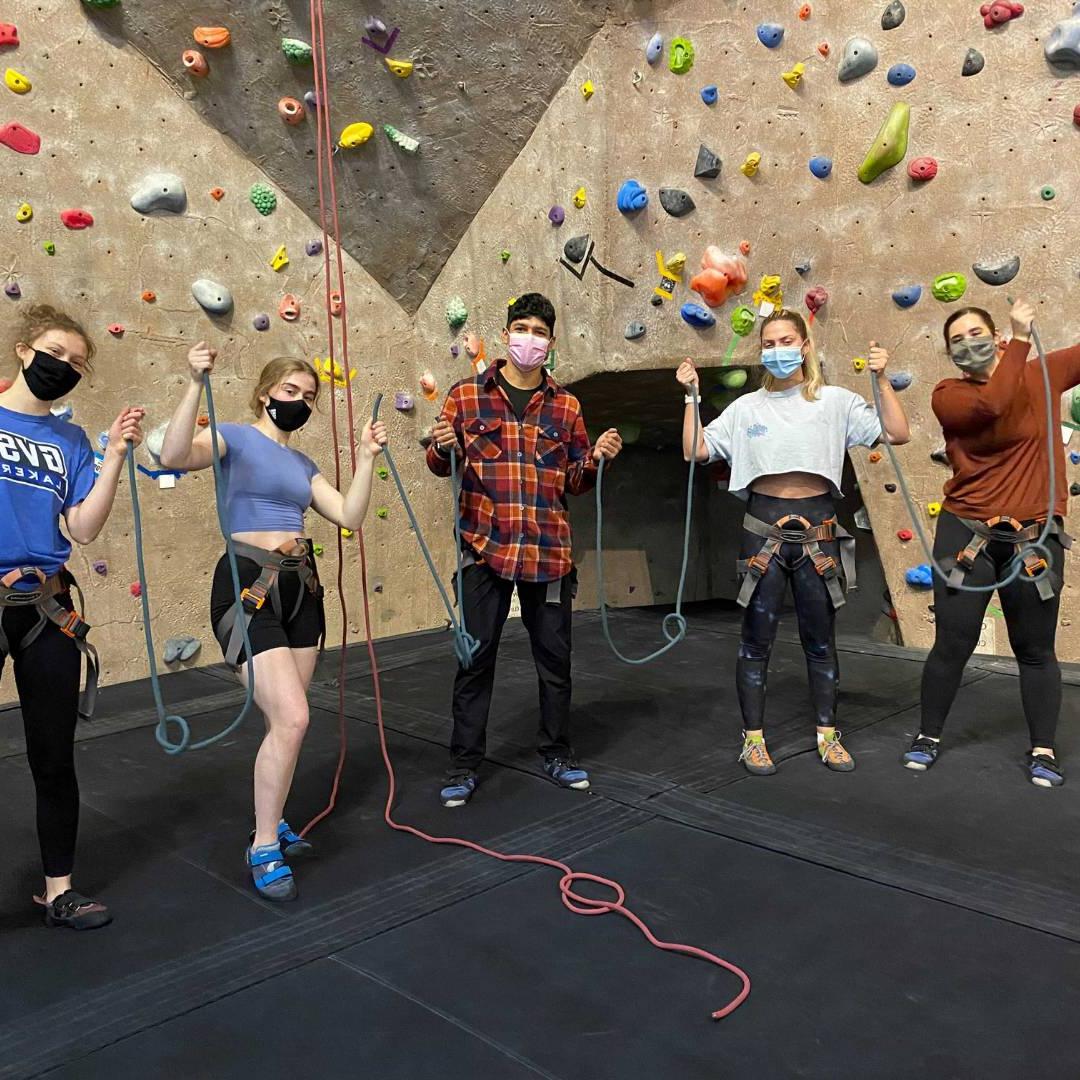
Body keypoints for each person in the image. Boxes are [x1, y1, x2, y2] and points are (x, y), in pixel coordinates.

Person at [159, 344, 386, 899]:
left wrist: (366, 458)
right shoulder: (235, 437)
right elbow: (171, 455)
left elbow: (350, 517)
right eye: (290, 392)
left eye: (309, 397)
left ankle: (274, 815)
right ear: (265, 393)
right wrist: (194, 382)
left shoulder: (304, 465)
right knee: (293, 718)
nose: (300, 403)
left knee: (283, 722)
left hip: (301, 589)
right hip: (247, 586)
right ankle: (264, 844)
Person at [678, 308, 910, 775]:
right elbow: (695, 450)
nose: (777, 350)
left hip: (818, 528)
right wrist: (691, 398)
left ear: (804, 346)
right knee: (755, 640)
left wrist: (882, 379)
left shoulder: (835, 401)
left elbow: (896, 433)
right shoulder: (747, 409)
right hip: (761, 529)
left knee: (820, 639)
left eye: (786, 340)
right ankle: (754, 739)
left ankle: (827, 733)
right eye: (769, 343)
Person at [426, 293, 622, 807]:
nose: (528, 338)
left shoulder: (568, 406)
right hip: (482, 548)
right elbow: (436, 460)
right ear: (506, 333)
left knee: (555, 661)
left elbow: (576, 480)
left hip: (548, 551)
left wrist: (597, 458)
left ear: (550, 343)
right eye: (520, 327)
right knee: (474, 661)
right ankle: (464, 764)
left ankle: (557, 752)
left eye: (538, 331)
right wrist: (441, 442)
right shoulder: (466, 396)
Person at [0, 304, 144, 930]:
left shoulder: (71, 441)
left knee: (54, 753)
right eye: (56, 353)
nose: (65, 367)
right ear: (24, 350)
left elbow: (82, 527)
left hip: (46, 605)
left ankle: (58, 888)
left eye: (78, 364)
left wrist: (112, 455)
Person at [902, 300, 1080, 788]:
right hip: (968, 533)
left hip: (1034, 533)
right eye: (957, 339)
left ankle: (1043, 748)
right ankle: (929, 735)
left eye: (976, 333)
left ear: (995, 335)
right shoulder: (949, 394)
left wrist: (1022, 347)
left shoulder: (1043, 373)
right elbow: (994, 405)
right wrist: (1021, 340)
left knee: (1035, 647)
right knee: (954, 641)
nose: (968, 344)